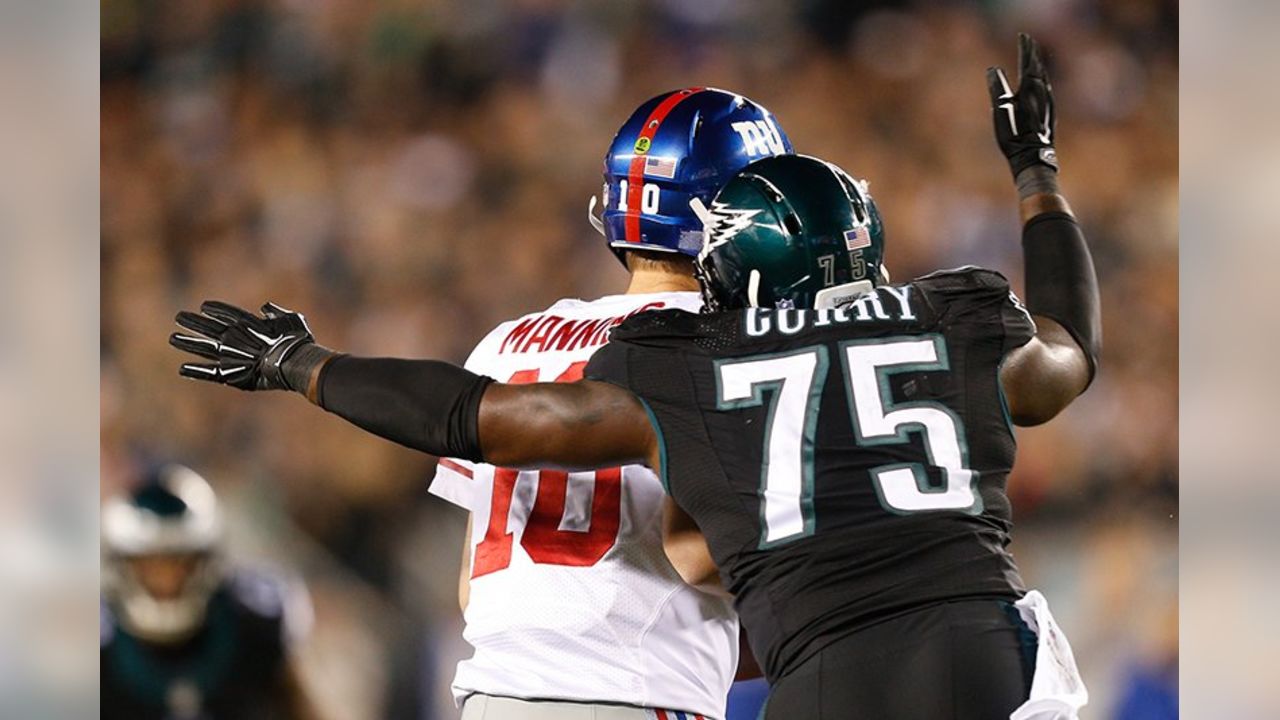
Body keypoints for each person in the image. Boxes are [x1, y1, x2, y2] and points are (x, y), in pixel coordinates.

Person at [171, 35, 1098, 718]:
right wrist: (1035, 173)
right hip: (930, 656)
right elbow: (1068, 353)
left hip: (526, 685)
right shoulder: (939, 316)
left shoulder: (558, 343)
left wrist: (307, 365)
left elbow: (475, 425)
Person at [424, 87, 792, 720]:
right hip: (637, 693)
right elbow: (712, 562)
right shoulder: (727, 347)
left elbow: (470, 585)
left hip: (493, 697)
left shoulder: (505, 341)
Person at [101, 464, 320, 720]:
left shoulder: (256, 627)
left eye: (180, 563)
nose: (167, 580)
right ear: (121, 567)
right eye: (151, 566)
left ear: (207, 561)